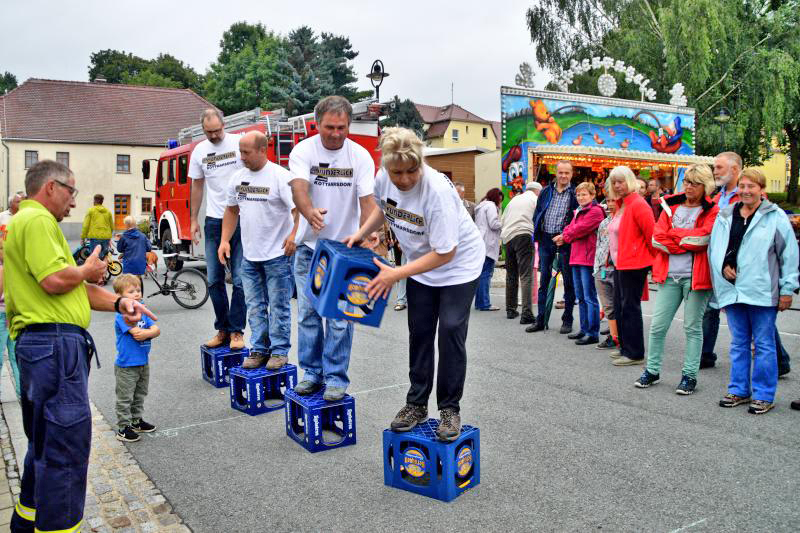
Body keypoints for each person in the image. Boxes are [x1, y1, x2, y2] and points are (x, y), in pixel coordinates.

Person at [5, 160, 155, 533]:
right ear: (51, 187)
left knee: (43, 446)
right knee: (65, 451)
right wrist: (87, 270)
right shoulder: (38, 220)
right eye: (71, 191)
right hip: (54, 346)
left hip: (44, 346)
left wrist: (121, 303)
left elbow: (74, 287)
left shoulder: (30, 222)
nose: (75, 201)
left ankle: (27, 521)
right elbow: (58, 280)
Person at [345, 127, 484, 441]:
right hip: (421, 266)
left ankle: (449, 408)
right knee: (420, 330)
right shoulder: (383, 178)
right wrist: (363, 232)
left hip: (458, 266)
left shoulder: (437, 192)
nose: (405, 179)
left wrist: (397, 273)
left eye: (412, 170)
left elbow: (446, 252)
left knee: (449, 330)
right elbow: (383, 207)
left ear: (420, 163)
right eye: (397, 172)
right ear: (386, 167)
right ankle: (416, 404)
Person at [289, 95, 377, 402]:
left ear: (349, 125)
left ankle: (336, 377)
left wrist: (367, 234)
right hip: (309, 249)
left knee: (340, 318)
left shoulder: (361, 157)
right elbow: (299, 188)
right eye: (329, 127)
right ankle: (311, 373)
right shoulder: (303, 151)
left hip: (345, 249)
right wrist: (309, 210)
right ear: (317, 124)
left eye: (342, 127)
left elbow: (368, 202)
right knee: (309, 315)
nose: (336, 133)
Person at [709, 168, 798, 414]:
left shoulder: (775, 216)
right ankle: (738, 390)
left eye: (752, 186)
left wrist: (787, 289)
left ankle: (764, 394)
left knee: (764, 344)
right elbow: (715, 248)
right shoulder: (726, 215)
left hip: (761, 290)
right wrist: (723, 267)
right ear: (738, 188)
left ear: (762, 189)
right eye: (743, 186)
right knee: (738, 343)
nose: (746, 191)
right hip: (733, 290)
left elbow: (788, 255)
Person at [635, 164, 718, 394]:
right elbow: (657, 239)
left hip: (696, 278)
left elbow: (703, 240)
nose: (689, 187)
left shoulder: (712, 209)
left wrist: (675, 237)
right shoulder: (670, 205)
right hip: (669, 276)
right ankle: (652, 370)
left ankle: (689, 376)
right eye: (687, 182)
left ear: (705, 186)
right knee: (658, 326)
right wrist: (685, 240)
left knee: (692, 328)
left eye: (695, 183)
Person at [219, 131, 298, 371]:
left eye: (246, 152)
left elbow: (298, 210)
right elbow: (232, 211)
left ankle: (279, 351)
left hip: (277, 255)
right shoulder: (237, 178)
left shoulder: (281, 177)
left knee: (279, 304)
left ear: (263, 150)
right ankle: (259, 349)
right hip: (250, 256)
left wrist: (294, 236)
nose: (241, 157)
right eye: (240, 152)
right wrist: (224, 241)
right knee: (254, 305)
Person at [189, 108, 247, 351]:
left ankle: (237, 331)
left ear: (224, 126)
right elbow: (197, 186)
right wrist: (193, 219)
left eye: (217, 131)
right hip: (214, 221)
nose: (213, 136)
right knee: (214, 279)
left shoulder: (238, 143)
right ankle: (222, 329)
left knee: (241, 279)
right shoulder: (200, 151)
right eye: (208, 132)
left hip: (242, 219)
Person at [608, 166, 655, 366]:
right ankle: (626, 347)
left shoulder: (638, 204)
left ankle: (635, 353)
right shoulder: (622, 204)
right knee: (620, 306)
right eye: (614, 182)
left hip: (634, 264)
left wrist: (650, 263)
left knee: (630, 307)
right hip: (621, 263)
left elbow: (651, 235)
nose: (618, 186)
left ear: (630, 181)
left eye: (621, 181)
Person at [700, 151, 742, 368]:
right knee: (710, 308)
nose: (714, 171)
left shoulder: (747, 194)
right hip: (715, 262)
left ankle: (780, 358)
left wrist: (734, 261)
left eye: (719, 167)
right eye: (714, 167)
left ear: (734, 169)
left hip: (735, 264)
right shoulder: (717, 197)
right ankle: (706, 354)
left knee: (747, 313)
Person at [528, 161, 579, 333]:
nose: (563, 176)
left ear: (571, 174)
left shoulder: (575, 193)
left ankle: (567, 320)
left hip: (565, 243)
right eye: (561, 172)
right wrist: (538, 234)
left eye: (567, 173)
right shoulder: (546, 191)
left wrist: (566, 236)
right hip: (546, 241)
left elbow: (578, 219)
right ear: (555, 173)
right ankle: (541, 319)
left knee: (569, 284)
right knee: (544, 282)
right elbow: (538, 213)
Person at [112, 275, 160, 442]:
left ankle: (136, 420)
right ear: (120, 297)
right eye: (131, 291)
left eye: (138, 290)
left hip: (142, 362)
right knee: (125, 397)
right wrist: (151, 332)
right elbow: (138, 334)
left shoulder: (142, 310)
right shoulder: (122, 314)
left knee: (140, 394)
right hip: (127, 365)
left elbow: (156, 328)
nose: (137, 294)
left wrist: (151, 331)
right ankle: (123, 427)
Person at [557, 182, 605, 345]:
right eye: (578, 195)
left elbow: (578, 230)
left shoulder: (596, 212)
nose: (580, 197)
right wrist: (567, 234)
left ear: (592, 196)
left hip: (587, 258)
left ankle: (593, 332)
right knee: (581, 297)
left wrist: (566, 236)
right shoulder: (578, 211)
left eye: (584, 194)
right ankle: (584, 329)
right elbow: (569, 228)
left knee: (589, 296)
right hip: (576, 256)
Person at [501, 180, 540, 324]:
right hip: (524, 234)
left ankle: (511, 310)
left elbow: (503, 220)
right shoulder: (535, 199)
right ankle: (527, 313)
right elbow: (539, 219)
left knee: (511, 275)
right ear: (538, 191)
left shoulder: (514, 200)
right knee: (526, 275)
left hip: (508, 237)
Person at [594, 181, 619, 349]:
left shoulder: (624, 220)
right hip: (602, 268)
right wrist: (597, 267)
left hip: (618, 268)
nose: (610, 204)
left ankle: (622, 336)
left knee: (620, 305)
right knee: (608, 305)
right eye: (607, 200)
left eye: (613, 200)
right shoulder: (603, 223)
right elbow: (599, 245)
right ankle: (613, 336)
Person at [474, 188, 503, 311]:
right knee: (486, 274)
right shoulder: (490, 206)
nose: (500, 203)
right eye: (500, 200)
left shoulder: (481, 206)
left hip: (480, 242)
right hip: (488, 244)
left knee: (481, 275)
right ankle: (485, 304)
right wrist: (504, 223)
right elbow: (493, 223)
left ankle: (479, 303)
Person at [81, 193, 113, 259]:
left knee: (94, 257)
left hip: (94, 237)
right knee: (104, 257)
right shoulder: (108, 212)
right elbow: (112, 226)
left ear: (94, 201)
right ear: (102, 201)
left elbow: (85, 226)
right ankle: (103, 269)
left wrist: (83, 237)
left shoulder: (91, 210)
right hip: (106, 238)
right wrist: (109, 237)